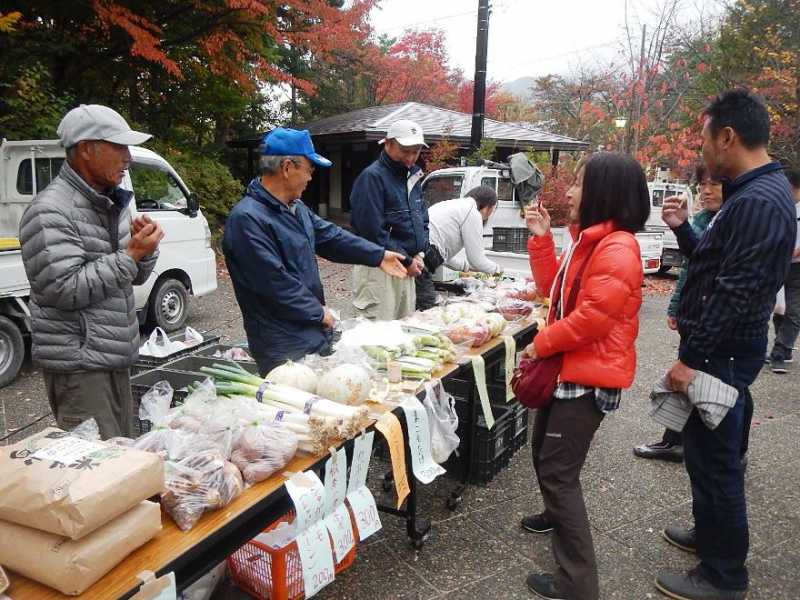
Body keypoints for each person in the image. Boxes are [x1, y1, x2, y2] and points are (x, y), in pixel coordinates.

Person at [655, 89, 796, 600]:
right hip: (721, 350)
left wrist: (689, 361)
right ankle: (709, 536)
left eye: (705, 139)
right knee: (702, 453)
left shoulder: (758, 201)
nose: (703, 152)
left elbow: (735, 293)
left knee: (717, 464)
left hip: (721, 355)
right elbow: (717, 265)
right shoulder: (750, 194)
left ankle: (723, 575)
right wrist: (682, 232)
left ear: (728, 136)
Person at [519, 152, 650, 600]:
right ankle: (556, 516)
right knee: (543, 453)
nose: (570, 193)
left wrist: (541, 344)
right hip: (569, 369)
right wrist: (540, 239)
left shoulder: (618, 247)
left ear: (604, 193)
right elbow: (551, 289)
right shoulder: (589, 240)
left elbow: (592, 318)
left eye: (578, 184)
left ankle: (577, 584)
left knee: (559, 473)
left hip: (587, 376)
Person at [18, 104, 163, 439]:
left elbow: (133, 277)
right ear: (86, 149)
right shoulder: (50, 210)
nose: (128, 157)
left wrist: (145, 252)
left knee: (123, 460)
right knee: (98, 471)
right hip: (80, 366)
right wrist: (130, 255)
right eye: (119, 147)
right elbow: (63, 289)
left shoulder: (107, 203)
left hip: (112, 356)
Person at [223, 127, 407, 376]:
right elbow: (273, 283)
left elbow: (331, 237)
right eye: (309, 169)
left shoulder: (295, 208)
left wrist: (377, 255)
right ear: (287, 167)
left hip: (312, 332)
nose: (311, 177)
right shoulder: (247, 219)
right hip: (281, 343)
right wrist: (318, 312)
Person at [634, 162, 724, 463]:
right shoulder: (703, 219)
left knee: (713, 385)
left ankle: (729, 451)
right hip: (693, 313)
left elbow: (712, 269)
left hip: (715, 319)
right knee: (685, 380)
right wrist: (675, 306)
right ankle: (673, 441)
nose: (707, 191)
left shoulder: (733, 222)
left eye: (716, 184)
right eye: (703, 185)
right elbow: (690, 270)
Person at [350, 119, 428, 320]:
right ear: (388, 144)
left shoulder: (413, 177)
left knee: (402, 335)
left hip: (407, 267)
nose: (411, 157)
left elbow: (423, 220)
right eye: (405, 150)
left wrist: (420, 253)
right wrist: (408, 260)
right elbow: (372, 231)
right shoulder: (372, 177)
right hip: (377, 268)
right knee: (376, 338)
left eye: (416, 151)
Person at [415, 185, 502, 310]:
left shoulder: (455, 205)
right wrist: (498, 270)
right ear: (489, 207)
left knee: (416, 305)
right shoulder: (472, 212)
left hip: (417, 253)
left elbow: (442, 254)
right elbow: (477, 260)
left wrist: (465, 267)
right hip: (423, 259)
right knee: (426, 308)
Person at [767, 167, 800, 374]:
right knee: (778, 308)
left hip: (798, 267)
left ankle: (780, 351)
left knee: (794, 311)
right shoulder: (780, 206)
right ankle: (784, 347)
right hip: (778, 262)